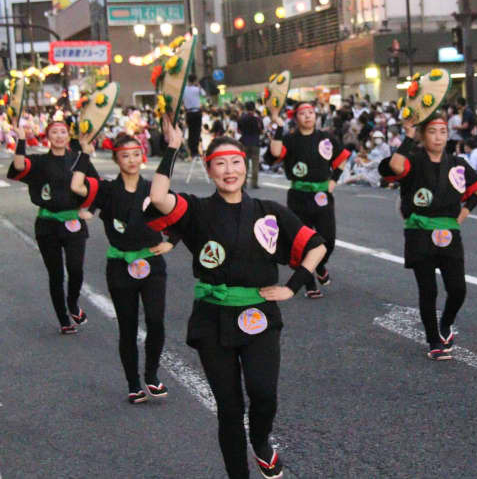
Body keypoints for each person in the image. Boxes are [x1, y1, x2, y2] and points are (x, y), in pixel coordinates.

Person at [147, 115, 326, 479]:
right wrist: (170, 149)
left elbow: (316, 246)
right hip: (213, 318)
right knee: (229, 409)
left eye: (236, 163)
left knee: (263, 395)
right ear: (210, 171)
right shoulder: (196, 210)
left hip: (259, 314)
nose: (229, 170)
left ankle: (260, 442)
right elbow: (158, 198)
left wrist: (293, 286)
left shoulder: (269, 212)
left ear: (245, 167)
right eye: (220, 164)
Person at [70, 133, 178, 403]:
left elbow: (179, 216)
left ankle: (151, 376)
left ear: (143, 156)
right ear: (116, 159)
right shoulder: (107, 191)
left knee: (155, 321)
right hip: (120, 265)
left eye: (135, 154)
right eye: (125, 155)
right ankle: (133, 384)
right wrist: (85, 152)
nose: (131, 159)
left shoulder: (154, 189)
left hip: (152, 263)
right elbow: (77, 186)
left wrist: (172, 242)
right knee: (128, 326)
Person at [378, 117, 477, 360]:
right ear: (423, 136)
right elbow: (395, 167)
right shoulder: (414, 160)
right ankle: (433, 340)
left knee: (458, 289)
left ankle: (446, 323)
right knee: (428, 290)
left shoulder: (457, 163)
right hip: (419, 232)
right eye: (432, 132)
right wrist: (408, 136)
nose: (438, 137)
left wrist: (465, 211)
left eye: (443, 132)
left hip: (449, 232)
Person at [6, 116, 99, 333]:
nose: (59, 136)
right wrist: (21, 140)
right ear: (47, 136)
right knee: (56, 274)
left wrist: (89, 210)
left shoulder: (78, 158)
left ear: (68, 136)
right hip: (47, 224)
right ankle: (64, 320)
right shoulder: (39, 162)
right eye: (54, 132)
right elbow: (19, 166)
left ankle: (73, 303)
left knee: (76, 270)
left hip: (74, 222)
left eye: (63, 132)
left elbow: (96, 186)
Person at [265, 102, 349, 298]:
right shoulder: (290, 139)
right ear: (296, 118)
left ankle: (319, 265)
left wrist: (333, 181)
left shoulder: (326, 138)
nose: (308, 116)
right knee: (302, 240)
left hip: (322, 195)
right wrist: (278, 125)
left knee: (328, 239)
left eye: (311, 113)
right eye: (303, 113)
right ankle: (309, 284)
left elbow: (342, 158)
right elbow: (275, 154)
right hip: (298, 196)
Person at [238, 101, 264, 189]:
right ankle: (254, 183)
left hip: (244, 143)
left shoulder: (242, 118)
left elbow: (239, 131)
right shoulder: (258, 119)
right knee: (255, 165)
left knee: (244, 165)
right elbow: (262, 131)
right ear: (254, 109)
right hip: (255, 143)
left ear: (246, 108)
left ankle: (243, 183)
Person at [183, 75, 206, 158]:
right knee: (197, 131)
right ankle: (195, 151)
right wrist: (198, 85)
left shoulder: (184, 89)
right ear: (195, 81)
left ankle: (192, 150)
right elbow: (204, 94)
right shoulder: (197, 89)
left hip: (188, 113)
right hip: (196, 112)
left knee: (191, 132)